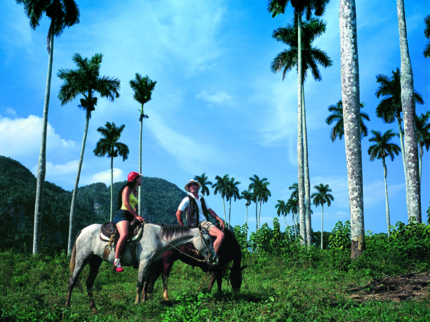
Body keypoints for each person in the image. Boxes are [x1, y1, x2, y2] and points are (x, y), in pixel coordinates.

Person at [176, 179, 225, 255]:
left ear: (197, 187)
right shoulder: (187, 199)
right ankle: (212, 258)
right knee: (221, 235)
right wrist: (182, 227)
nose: (192, 186)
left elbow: (210, 210)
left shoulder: (202, 199)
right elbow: (178, 213)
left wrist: (219, 219)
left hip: (204, 223)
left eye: (194, 185)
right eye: (190, 185)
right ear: (189, 188)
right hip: (200, 224)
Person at [113, 171, 145, 272]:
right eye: (139, 178)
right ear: (135, 179)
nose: (141, 179)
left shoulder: (137, 192)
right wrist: (136, 216)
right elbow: (126, 203)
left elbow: (135, 207)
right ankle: (116, 260)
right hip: (122, 215)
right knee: (124, 234)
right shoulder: (127, 189)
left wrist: (137, 217)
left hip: (131, 216)